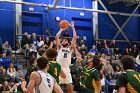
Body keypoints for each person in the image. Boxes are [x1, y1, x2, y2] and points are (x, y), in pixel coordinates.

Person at [55, 21, 77, 93]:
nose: (63, 41)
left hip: (66, 68)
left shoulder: (69, 48)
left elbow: (74, 38)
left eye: (65, 40)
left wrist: (73, 28)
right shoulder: (59, 47)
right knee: (56, 86)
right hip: (59, 67)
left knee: (70, 87)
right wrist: (61, 29)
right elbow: (56, 37)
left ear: (68, 43)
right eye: (63, 40)